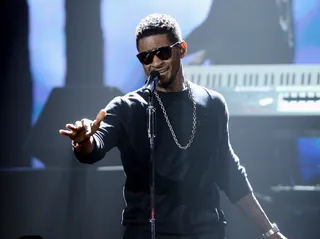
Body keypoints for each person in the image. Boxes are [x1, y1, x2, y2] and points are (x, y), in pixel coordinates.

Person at [59, 13, 288, 239]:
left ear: (181, 49)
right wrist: (83, 140)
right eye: (146, 58)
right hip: (145, 231)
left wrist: (270, 232)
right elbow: (93, 149)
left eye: (163, 53)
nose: (155, 63)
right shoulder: (128, 107)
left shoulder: (212, 103)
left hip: (206, 231)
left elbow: (230, 173)